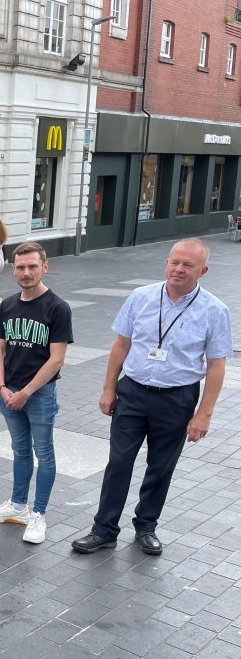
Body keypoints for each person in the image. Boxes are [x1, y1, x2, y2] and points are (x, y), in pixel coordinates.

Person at [72, 238, 231, 556]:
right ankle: (104, 529)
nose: (178, 269)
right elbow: (121, 345)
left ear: (203, 270)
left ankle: (146, 527)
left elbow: (216, 365)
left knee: (161, 466)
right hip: (133, 392)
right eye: (174, 261)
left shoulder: (214, 310)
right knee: (118, 462)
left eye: (187, 264)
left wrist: (204, 414)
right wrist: (109, 388)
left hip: (177, 399)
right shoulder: (141, 297)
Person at [0, 242, 72, 544]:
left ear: (44, 267)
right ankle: (18, 505)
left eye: (32, 266)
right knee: (20, 450)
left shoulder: (57, 308)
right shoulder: (7, 305)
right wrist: (2, 387)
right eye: (20, 267)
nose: (26, 272)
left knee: (44, 453)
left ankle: (39, 514)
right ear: (13, 269)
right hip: (9, 392)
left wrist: (27, 392)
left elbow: (56, 358)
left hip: (40, 395)